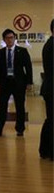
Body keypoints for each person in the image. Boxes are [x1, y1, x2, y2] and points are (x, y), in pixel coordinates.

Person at [0, 28, 34, 137]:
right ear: (4, 39)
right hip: (5, 83)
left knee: (20, 106)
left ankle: (20, 129)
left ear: (14, 38)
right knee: (2, 106)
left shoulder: (22, 51)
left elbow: (28, 67)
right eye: (7, 38)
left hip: (19, 83)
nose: (10, 40)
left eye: (11, 37)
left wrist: (29, 82)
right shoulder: (1, 52)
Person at [40, 18, 53, 160]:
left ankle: (45, 150)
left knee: (50, 119)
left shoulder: (49, 44)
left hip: (50, 88)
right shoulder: (51, 45)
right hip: (52, 89)